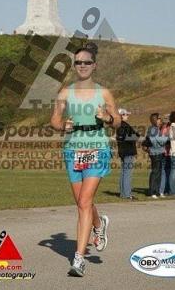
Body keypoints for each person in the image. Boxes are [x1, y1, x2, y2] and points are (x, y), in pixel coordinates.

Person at [50, 42, 121, 277]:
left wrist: (107, 117)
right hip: (73, 151)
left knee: (83, 203)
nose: (82, 65)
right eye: (78, 62)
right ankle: (99, 225)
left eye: (86, 62)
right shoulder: (65, 93)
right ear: (74, 65)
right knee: (83, 201)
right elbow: (55, 120)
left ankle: (78, 259)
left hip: (97, 149)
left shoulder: (104, 93)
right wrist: (63, 126)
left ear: (94, 65)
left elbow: (118, 121)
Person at [116, 108, 140, 200]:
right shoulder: (124, 125)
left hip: (123, 151)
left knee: (124, 172)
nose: (127, 116)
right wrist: (136, 135)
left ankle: (123, 193)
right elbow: (131, 137)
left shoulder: (119, 126)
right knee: (127, 173)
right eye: (125, 114)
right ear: (121, 116)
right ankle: (127, 194)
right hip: (128, 151)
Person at [146, 113, 169, 199]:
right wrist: (167, 136)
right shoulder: (152, 129)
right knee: (155, 172)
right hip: (155, 153)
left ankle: (157, 191)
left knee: (159, 173)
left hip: (160, 152)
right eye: (159, 118)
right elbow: (160, 140)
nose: (160, 120)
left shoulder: (157, 129)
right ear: (154, 119)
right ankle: (152, 192)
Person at [159, 115, 171, 197]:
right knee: (166, 172)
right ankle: (165, 189)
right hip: (166, 152)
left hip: (165, 152)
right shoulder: (166, 129)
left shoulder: (162, 128)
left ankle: (165, 189)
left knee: (166, 172)